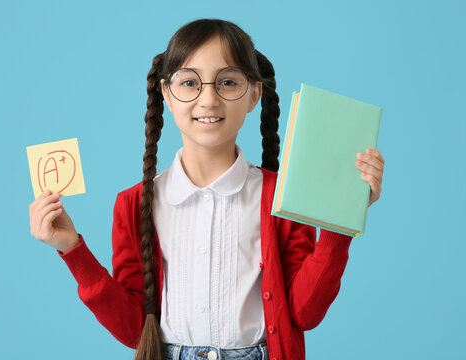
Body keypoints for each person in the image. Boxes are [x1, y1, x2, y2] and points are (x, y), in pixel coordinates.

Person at [28, 18, 385, 360]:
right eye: (189, 82)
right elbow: (135, 329)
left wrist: (342, 217)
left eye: (228, 82)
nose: (208, 99)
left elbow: (304, 313)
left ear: (253, 95)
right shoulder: (134, 204)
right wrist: (71, 249)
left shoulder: (282, 196)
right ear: (166, 93)